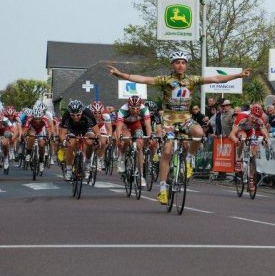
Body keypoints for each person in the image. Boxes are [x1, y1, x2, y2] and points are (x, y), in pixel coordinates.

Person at [107, 51, 249, 205]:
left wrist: (238, 75)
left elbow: (216, 78)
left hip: (185, 119)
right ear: (172, 65)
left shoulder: (192, 80)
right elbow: (144, 79)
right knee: (167, 152)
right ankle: (162, 190)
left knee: (199, 132)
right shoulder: (165, 80)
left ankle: (188, 159)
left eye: (183, 62)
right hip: (168, 119)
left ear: (186, 65)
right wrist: (121, 75)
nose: (180, 65)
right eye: (177, 62)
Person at [115, 95, 152, 188]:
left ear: (140, 106)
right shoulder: (123, 110)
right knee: (126, 138)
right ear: (128, 106)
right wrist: (120, 138)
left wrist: (150, 137)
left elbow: (148, 125)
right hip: (125, 125)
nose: (135, 111)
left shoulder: (145, 109)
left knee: (139, 146)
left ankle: (141, 175)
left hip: (136, 125)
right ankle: (122, 158)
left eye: (137, 108)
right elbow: (119, 126)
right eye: (132, 108)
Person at [58, 100, 101, 181]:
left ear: (82, 112)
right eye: (73, 115)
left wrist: (97, 138)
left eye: (78, 115)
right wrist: (64, 141)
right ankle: (69, 170)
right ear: (69, 113)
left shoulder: (88, 113)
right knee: (70, 144)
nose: (76, 117)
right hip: (73, 129)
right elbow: (62, 133)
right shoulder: (66, 114)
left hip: (86, 128)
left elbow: (96, 131)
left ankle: (87, 162)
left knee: (90, 141)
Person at [229, 104, 269, 186]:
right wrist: (236, 140)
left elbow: (264, 131)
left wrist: (266, 139)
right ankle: (239, 160)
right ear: (250, 113)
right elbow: (231, 134)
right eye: (253, 116)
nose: (254, 119)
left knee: (254, 152)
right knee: (243, 137)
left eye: (257, 117)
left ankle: (251, 178)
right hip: (241, 129)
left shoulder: (259, 120)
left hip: (251, 130)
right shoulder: (242, 117)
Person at [89, 101, 111, 170]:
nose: (97, 115)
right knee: (90, 140)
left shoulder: (106, 116)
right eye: (95, 113)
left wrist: (109, 136)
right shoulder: (89, 116)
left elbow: (109, 128)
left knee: (103, 142)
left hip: (101, 127)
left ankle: (99, 159)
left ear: (102, 112)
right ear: (92, 112)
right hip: (91, 127)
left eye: (99, 113)